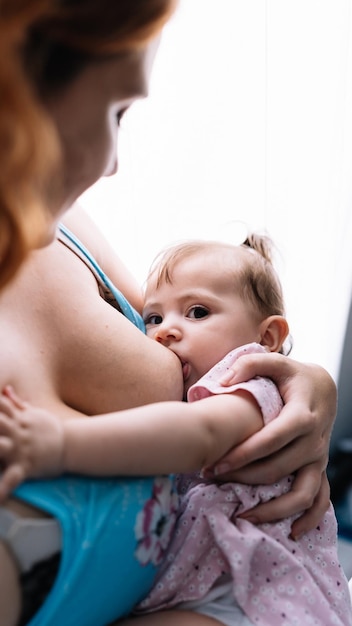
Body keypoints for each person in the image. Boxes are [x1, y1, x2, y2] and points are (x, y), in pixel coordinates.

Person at [0, 0, 337, 624]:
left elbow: (208, 330)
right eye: (115, 110)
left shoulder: (54, 219)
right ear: (18, 82)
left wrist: (304, 384)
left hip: (246, 594)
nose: (113, 164)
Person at [0, 233, 350, 626]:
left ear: (266, 337)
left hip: (254, 595)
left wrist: (62, 444)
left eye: (198, 312)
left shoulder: (254, 388)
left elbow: (197, 435)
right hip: (206, 590)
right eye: (153, 317)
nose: (165, 330)